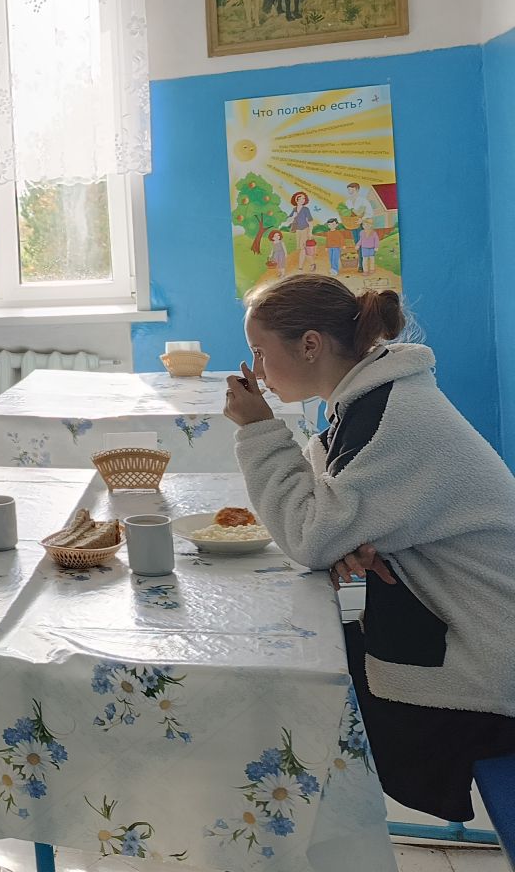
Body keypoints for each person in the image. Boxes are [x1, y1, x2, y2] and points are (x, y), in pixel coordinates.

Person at [223, 276, 515, 821]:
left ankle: (299, 837)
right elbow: (331, 510)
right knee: (304, 667)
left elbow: (308, 535)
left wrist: (259, 430)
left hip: (489, 663)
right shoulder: (371, 397)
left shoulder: (392, 416)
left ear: (310, 345)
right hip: (470, 627)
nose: (257, 372)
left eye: (260, 352)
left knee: (297, 697)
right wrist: (350, 538)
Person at [287, 192, 314, 270]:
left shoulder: (306, 209)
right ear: (296, 200)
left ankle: (300, 266)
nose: (302, 200)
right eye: (300, 199)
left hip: (305, 229)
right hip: (298, 231)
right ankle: (312, 264)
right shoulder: (294, 209)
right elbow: (288, 220)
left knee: (303, 248)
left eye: (303, 198)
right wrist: (293, 216)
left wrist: (310, 232)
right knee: (301, 248)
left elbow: (310, 221)